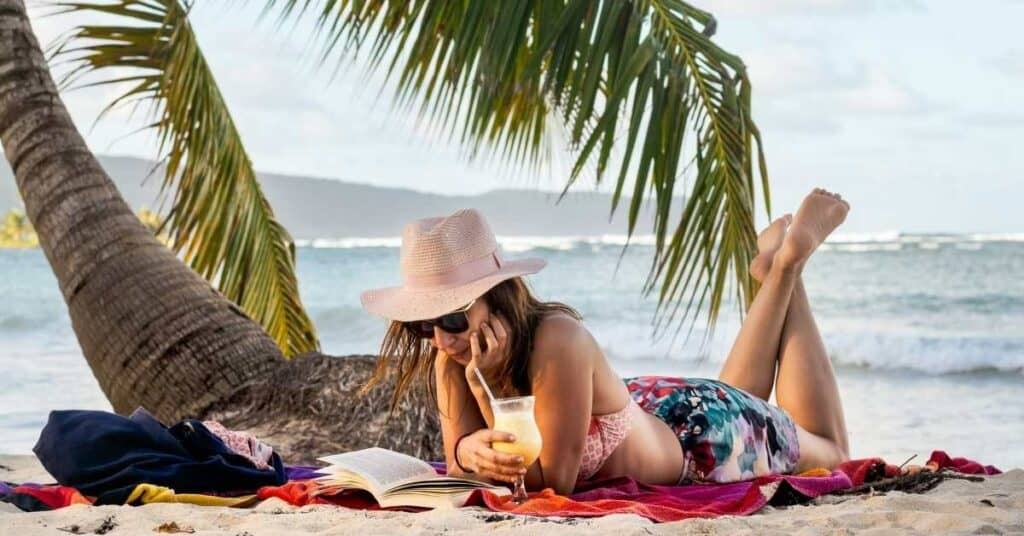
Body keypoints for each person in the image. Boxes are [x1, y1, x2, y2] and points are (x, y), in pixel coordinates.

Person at [359, 188, 853, 496]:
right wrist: (468, 452)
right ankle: (772, 274)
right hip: (656, 408)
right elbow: (457, 458)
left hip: (700, 439)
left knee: (832, 450)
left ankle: (789, 266)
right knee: (735, 395)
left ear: (496, 297)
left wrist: (488, 387)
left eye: (451, 316)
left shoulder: (558, 342)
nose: (441, 338)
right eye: (424, 325)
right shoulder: (453, 355)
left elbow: (555, 483)